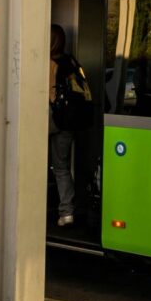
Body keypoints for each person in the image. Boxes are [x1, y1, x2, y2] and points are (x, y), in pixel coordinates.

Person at [48, 24, 90, 228]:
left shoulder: (50, 63)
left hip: (52, 120)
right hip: (70, 121)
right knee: (62, 166)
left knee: (37, 164)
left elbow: (47, 94)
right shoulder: (71, 61)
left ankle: (46, 207)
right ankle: (68, 212)